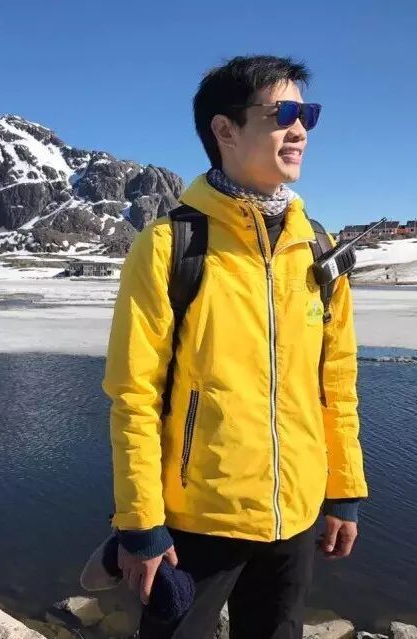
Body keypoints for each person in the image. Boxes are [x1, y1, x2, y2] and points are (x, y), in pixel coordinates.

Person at [101, 55, 368, 639]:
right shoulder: (171, 246)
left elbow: (336, 381)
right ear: (224, 129)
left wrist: (344, 489)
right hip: (198, 521)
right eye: (283, 114)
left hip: (296, 517)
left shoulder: (317, 246)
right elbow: (134, 395)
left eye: (307, 115)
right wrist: (140, 524)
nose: (300, 130)